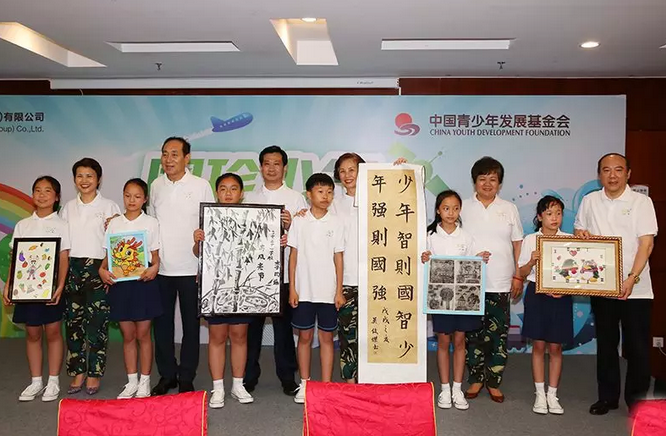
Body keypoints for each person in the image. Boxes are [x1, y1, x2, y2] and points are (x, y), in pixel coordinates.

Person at [574, 153, 657, 415]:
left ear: (628, 173)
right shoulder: (589, 201)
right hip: (602, 286)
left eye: (618, 170)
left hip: (637, 288)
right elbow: (579, 230)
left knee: (637, 347)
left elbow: (647, 244)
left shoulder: (641, 202)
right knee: (606, 344)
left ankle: (637, 401)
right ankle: (607, 398)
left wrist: (631, 278)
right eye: (606, 170)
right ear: (599, 174)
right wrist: (581, 234)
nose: (612, 175)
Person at [149, 137, 215, 395]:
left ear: (187, 158)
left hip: (191, 268)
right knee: (162, 326)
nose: (169, 159)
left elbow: (211, 224)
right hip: (161, 269)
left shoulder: (201, 186)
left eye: (175, 154)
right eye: (165, 154)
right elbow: (151, 226)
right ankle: (167, 375)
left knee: (191, 326)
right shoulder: (156, 185)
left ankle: (187, 375)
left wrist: (205, 266)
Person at [243, 145, 306, 396]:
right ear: (260, 167)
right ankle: (248, 377)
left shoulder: (296, 198)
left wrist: (291, 227)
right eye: (266, 163)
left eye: (276, 163)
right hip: (254, 275)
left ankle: (287, 377)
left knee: (283, 330)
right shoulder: (249, 198)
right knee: (252, 330)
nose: (271, 168)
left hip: (284, 275)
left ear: (285, 168)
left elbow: (305, 236)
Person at [460, 156, 523, 403]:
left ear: (500, 183)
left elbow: (517, 244)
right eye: (482, 179)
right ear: (474, 181)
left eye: (493, 179)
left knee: (498, 336)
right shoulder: (462, 207)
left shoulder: (509, 209)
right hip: (469, 283)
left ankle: (494, 381)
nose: (487, 184)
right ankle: (476, 379)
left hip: (501, 281)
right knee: (473, 335)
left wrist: (518, 275)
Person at [421, 190, 490, 410]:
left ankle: (457, 388)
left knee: (460, 342)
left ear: (460, 210)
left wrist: (480, 259)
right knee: (443, 342)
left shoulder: (466, 237)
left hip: (462, 301)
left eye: (455, 208)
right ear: (438, 210)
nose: (451, 213)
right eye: (446, 208)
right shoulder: (429, 237)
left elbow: (472, 265)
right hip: (440, 300)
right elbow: (421, 265)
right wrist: (424, 258)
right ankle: (444, 388)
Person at [2, 176, 70, 402]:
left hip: (51, 289)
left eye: (47, 190)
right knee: (32, 333)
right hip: (27, 290)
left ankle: (53, 381)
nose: (42, 195)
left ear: (56, 197)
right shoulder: (23, 225)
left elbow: (63, 258)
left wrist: (60, 286)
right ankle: (36, 381)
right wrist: (9, 285)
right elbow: (16, 258)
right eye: (37, 190)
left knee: (53, 332)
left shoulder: (62, 225)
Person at [193, 173, 255, 409]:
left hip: (242, 287)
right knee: (217, 337)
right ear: (216, 193)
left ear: (241, 193)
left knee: (239, 336)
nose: (228, 193)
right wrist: (197, 241)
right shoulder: (208, 217)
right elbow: (198, 254)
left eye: (233, 189)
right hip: (216, 286)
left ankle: (238, 385)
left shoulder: (253, 218)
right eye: (223, 189)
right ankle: (217, 387)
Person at [60, 158, 121, 395]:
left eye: (89, 176)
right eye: (80, 176)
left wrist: (108, 271)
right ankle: (78, 372)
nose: (84, 181)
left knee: (97, 325)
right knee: (73, 325)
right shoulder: (67, 208)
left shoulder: (110, 207)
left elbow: (116, 245)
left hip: (99, 270)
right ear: (74, 179)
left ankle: (94, 373)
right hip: (72, 270)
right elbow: (62, 245)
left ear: (99, 179)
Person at [99, 178, 162, 399]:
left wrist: (154, 268)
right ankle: (131, 381)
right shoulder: (114, 224)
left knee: (143, 334)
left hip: (143, 283)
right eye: (127, 195)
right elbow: (107, 257)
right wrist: (102, 270)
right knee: (128, 335)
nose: (132, 200)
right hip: (121, 285)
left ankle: (145, 381)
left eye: (137, 196)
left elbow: (155, 256)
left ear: (145, 199)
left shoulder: (151, 223)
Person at [288, 173, 345, 404]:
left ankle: (326, 386)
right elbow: (293, 256)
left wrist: (339, 291)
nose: (325, 196)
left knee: (326, 338)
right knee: (304, 337)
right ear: (309, 194)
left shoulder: (336, 222)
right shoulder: (299, 221)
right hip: (304, 291)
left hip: (328, 292)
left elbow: (338, 258)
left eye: (330, 192)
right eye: (320, 191)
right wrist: (292, 288)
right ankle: (305, 383)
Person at [517, 195, 572, 415]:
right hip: (537, 295)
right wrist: (532, 261)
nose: (554, 218)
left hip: (561, 297)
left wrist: (564, 289)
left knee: (556, 347)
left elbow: (576, 274)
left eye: (558, 213)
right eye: (549, 213)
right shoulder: (531, 239)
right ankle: (540, 394)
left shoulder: (569, 240)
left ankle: (553, 394)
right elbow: (521, 272)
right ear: (540, 217)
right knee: (538, 345)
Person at [330, 153, 364, 383]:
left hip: (375, 279)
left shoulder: (377, 200)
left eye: (352, 170)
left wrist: (401, 169)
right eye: (342, 171)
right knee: (347, 333)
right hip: (346, 280)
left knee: (373, 332)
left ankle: (370, 376)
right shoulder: (334, 204)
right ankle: (349, 379)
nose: (347, 175)